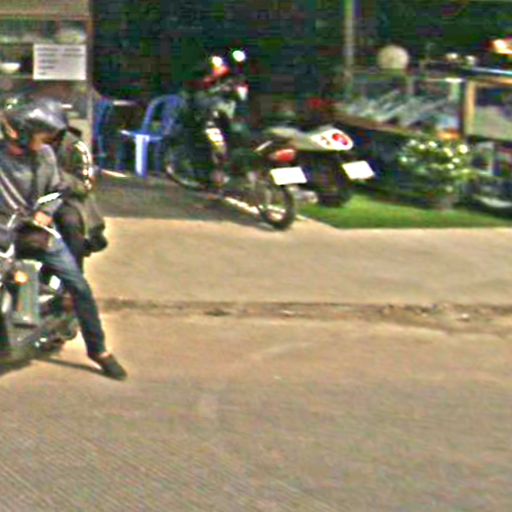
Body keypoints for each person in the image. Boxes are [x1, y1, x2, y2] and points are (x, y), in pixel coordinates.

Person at [0, 98, 127, 380]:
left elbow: (56, 190)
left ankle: (99, 350)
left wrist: (45, 212)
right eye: (41, 136)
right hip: (3, 230)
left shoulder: (45, 156)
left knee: (78, 286)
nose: (46, 141)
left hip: (34, 230)